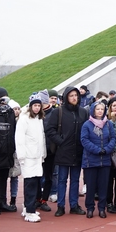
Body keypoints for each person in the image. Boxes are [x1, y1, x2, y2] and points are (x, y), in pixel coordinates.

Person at [44, 87, 88, 216]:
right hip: (63, 151)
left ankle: (74, 205)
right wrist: (60, 141)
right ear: (66, 98)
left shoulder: (83, 112)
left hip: (78, 151)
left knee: (75, 179)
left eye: (76, 95)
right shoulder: (59, 111)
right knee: (62, 179)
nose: (74, 98)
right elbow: (50, 129)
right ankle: (61, 205)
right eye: (71, 96)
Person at [15, 92, 48, 222]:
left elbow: (42, 138)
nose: (36, 108)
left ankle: (27, 207)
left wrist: (43, 154)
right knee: (30, 184)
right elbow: (19, 139)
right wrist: (21, 156)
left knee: (35, 182)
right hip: (28, 156)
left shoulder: (39, 119)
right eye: (34, 105)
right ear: (30, 106)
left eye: (38, 106)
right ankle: (29, 211)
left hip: (37, 156)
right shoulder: (24, 119)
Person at [80, 100, 116, 218]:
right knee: (90, 186)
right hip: (90, 160)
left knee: (103, 185)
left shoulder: (108, 124)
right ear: (93, 111)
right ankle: (90, 208)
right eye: (97, 109)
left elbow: (113, 138)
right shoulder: (87, 124)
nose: (100, 111)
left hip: (105, 160)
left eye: (102, 109)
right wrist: (97, 150)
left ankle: (102, 208)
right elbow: (84, 140)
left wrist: (107, 149)